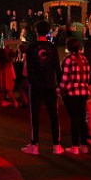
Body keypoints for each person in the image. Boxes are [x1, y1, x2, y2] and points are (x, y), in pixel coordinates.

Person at [21, 20, 63, 155]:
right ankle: (56, 144)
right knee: (53, 114)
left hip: (36, 84)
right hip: (50, 83)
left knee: (35, 114)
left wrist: (31, 80)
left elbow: (28, 67)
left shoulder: (31, 47)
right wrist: (59, 83)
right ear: (48, 31)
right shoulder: (52, 47)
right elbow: (57, 67)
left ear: (35, 30)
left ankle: (35, 144)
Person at [58, 37, 91, 154]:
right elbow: (88, 77)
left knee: (75, 119)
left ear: (68, 47)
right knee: (82, 119)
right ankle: (84, 145)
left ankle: (75, 146)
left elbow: (65, 78)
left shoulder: (68, 60)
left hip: (72, 93)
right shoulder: (84, 59)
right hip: (84, 92)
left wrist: (59, 89)